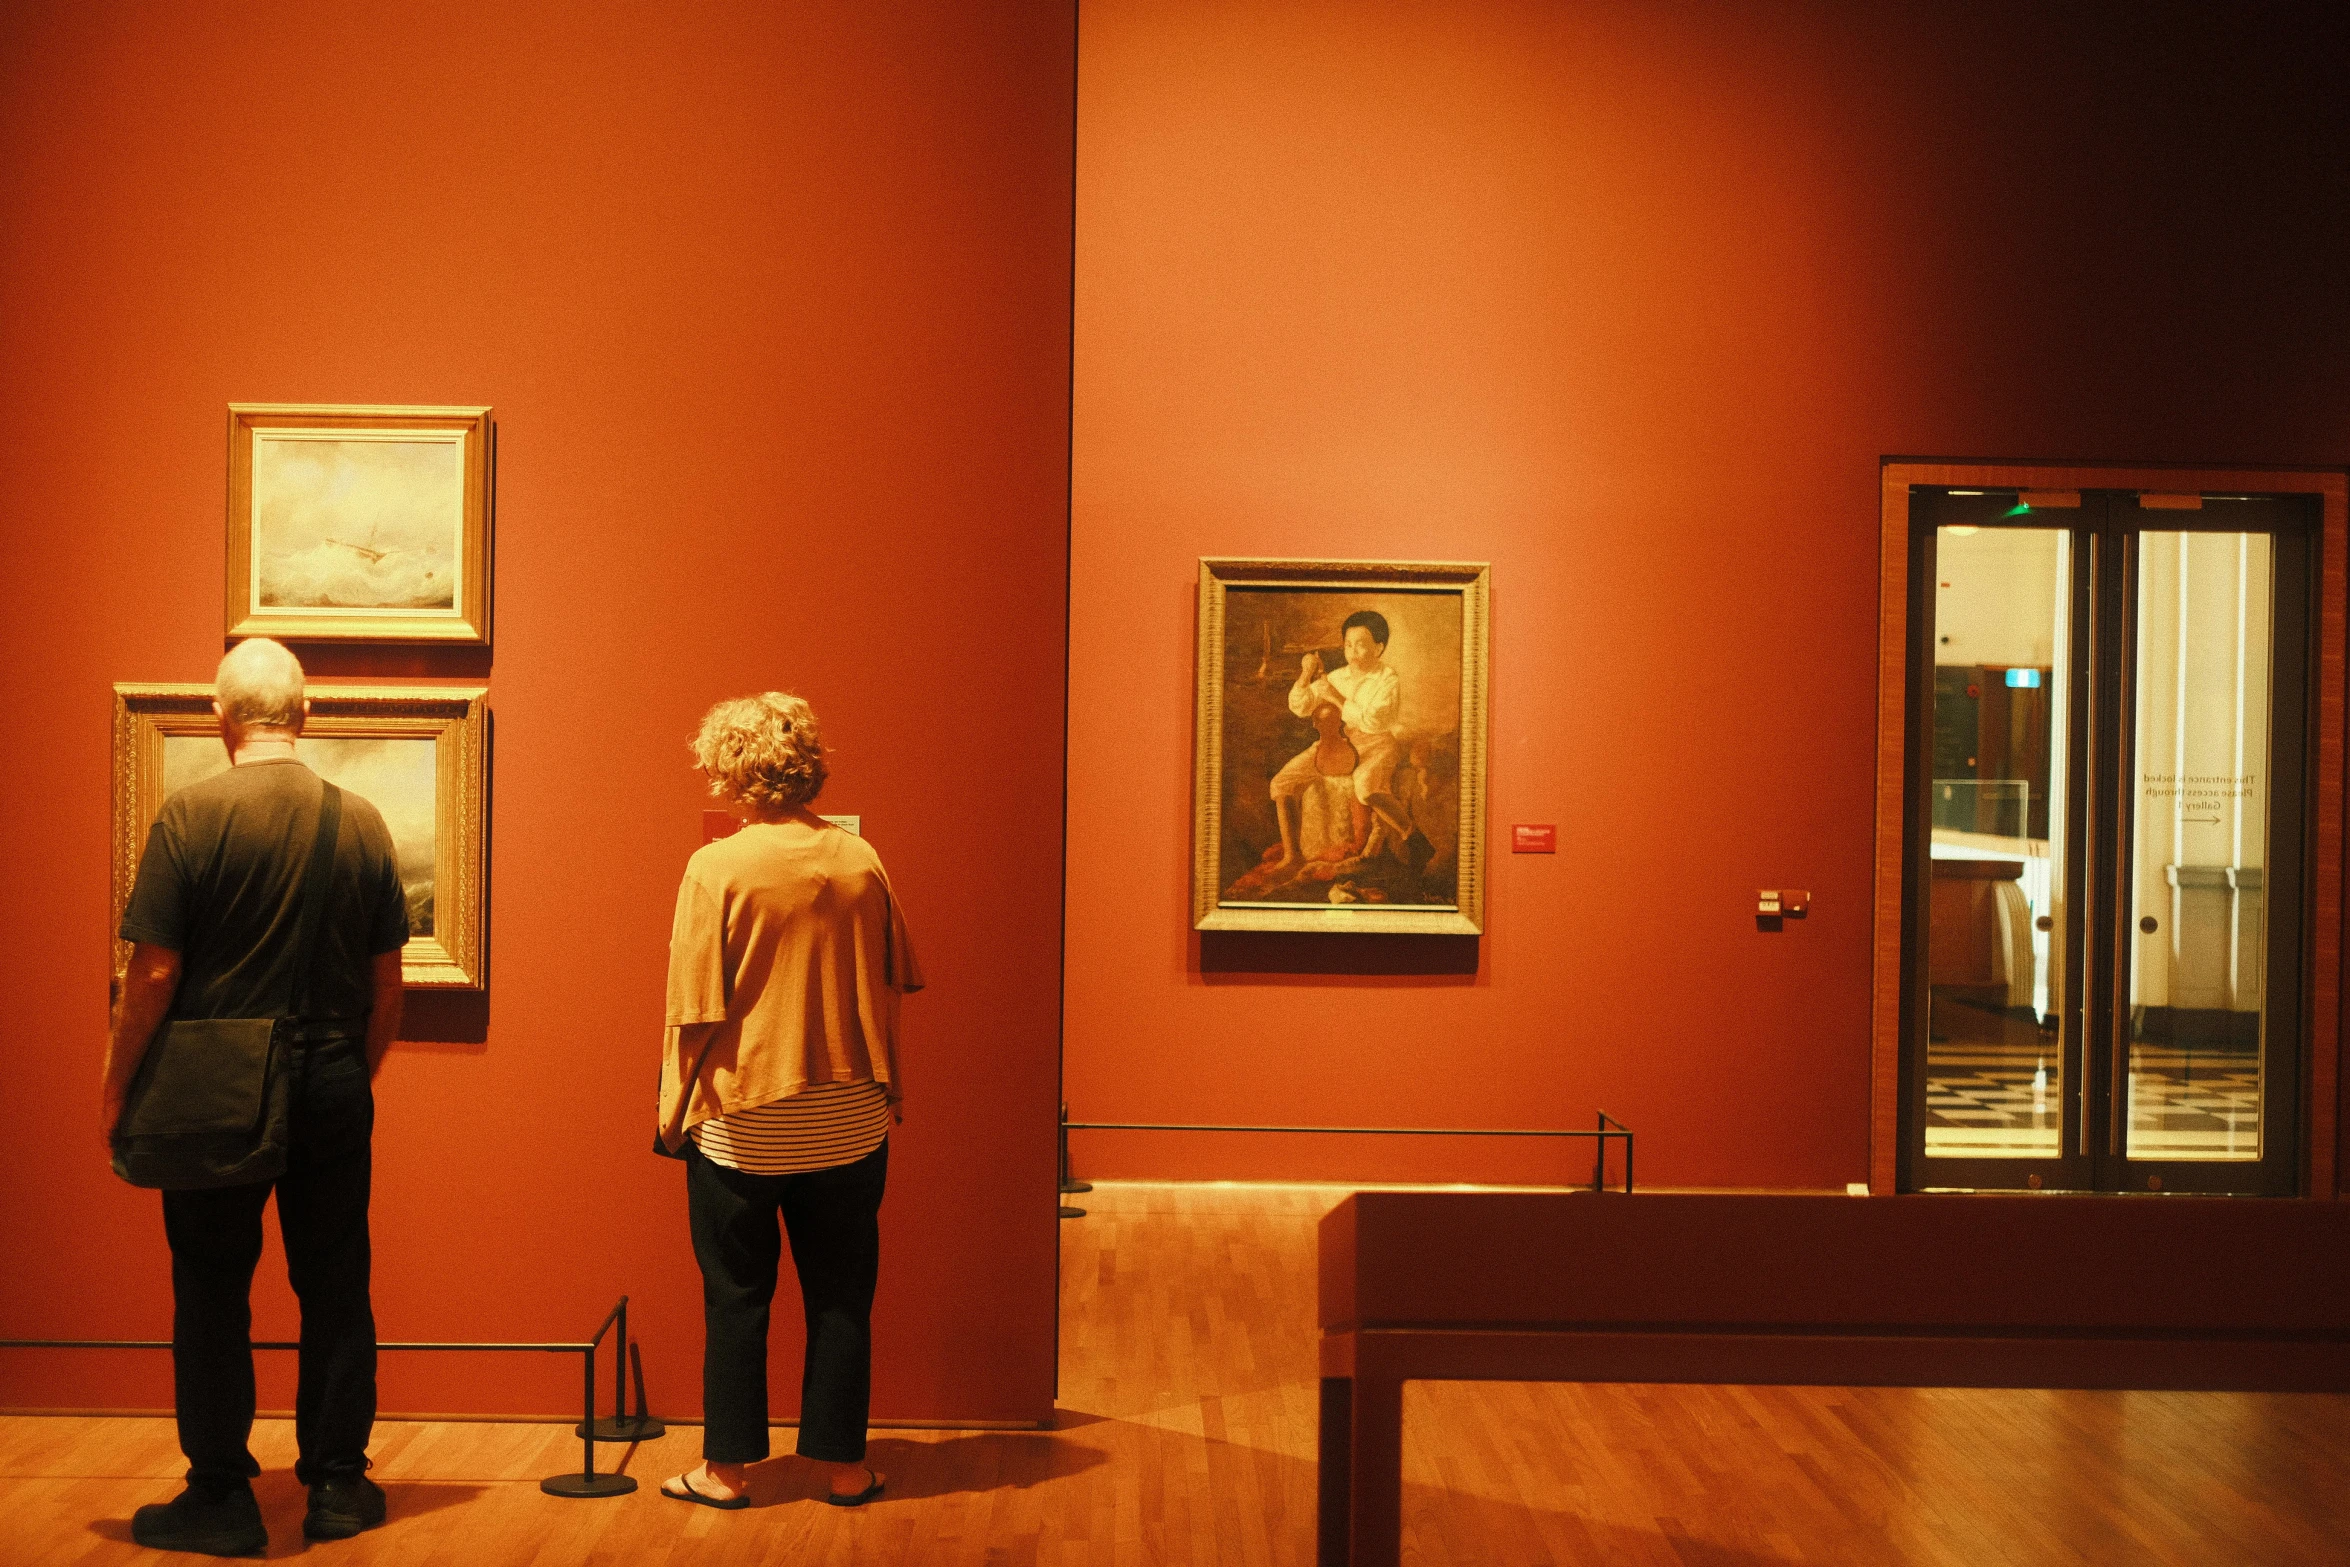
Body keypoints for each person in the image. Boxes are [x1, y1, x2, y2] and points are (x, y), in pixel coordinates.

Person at [101, 637, 409, 1555]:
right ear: (304, 714)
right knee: (335, 1280)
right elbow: (386, 984)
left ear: (220, 718)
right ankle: (340, 1486)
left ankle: (221, 1497)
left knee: (209, 1287)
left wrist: (117, 1085)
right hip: (331, 1076)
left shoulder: (189, 816)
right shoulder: (360, 821)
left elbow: (153, 971)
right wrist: (352, 1071)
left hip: (213, 1084)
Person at [656, 691, 923, 1511]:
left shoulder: (716, 867)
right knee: (842, 1293)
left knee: (737, 1295)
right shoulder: (859, 857)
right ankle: (844, 1467)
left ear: (733, 766)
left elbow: (692, 1006)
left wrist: (672, 1112)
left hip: (744, 1123)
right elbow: (899, 971)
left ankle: (728, 1471)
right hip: (847, 1117)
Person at [1268, 610, 1429, 875]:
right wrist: (1305, 675)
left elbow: (1375, 721)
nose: (1352, 650)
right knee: (1281, 782)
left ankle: (1412, 836)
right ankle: (1292, 855)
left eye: (1361, 644)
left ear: (1379, 647)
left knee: (1365, 786)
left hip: (1376, 743)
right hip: (1337, 743)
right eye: (1348, 644)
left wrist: (1336, 698)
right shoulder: (1335, 677)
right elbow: (1300, 706)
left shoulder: (1387, 679)